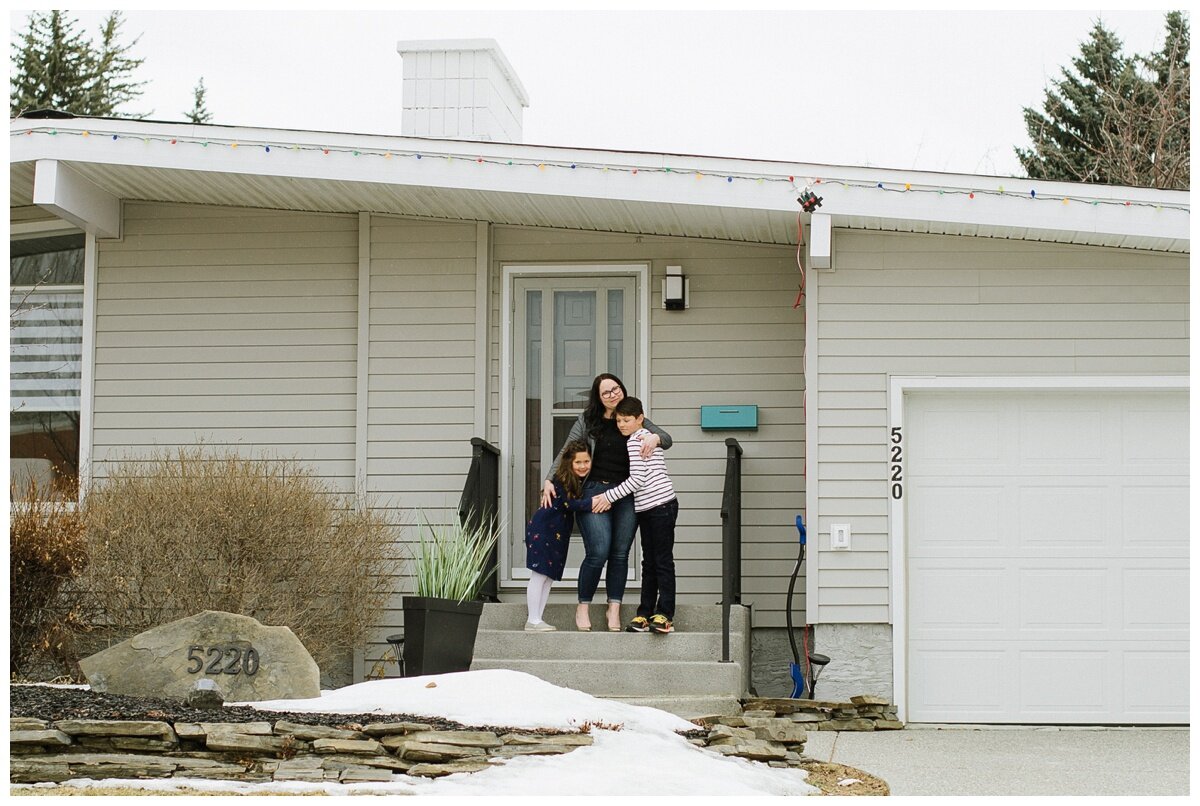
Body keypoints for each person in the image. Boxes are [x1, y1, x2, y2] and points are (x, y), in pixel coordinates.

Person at [541, 373, 672, 632]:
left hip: (625, 494)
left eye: (616, 389)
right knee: (598, 551)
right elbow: (567, 450)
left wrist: (655, 438)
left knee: (620, 553)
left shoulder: (633, 418)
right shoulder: (587, 420)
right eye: (606, 392)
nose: (613, 395)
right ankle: (583, 605)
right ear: (598, 397)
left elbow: (666, 439)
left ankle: (614, 607)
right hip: (594, 491)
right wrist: (549, 479)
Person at [594, 397, 679, 634]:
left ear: (640, 419)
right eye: (619, 420)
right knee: (649, 562)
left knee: (661, 561)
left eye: (626, 420)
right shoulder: (640, 438)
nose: (621, 424)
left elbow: (638, 480)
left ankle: (664, 615)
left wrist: (608, 496)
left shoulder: (638, 439)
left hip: (661, 505)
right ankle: (644, 614)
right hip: (647, 508)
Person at [523, 442, 592, 632]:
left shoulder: (574, 481)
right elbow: (571, 505)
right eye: (578, 462)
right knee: (539, 574)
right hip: (543, 531)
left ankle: (538, 618)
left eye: (587, 461)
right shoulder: (561, 480)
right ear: (569, 463)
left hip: (556, 535)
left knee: (548, 577)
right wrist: (595, 502)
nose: (583, 465)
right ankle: (533, 619)